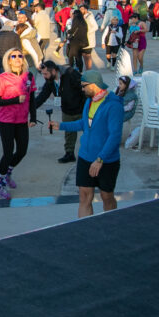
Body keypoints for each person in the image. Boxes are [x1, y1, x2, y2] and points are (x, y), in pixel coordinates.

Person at [50, 70, 123, 218]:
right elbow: (85, 123)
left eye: (84, 86)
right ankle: (84, 230)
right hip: (85, 157)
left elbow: (114, 136)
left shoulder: (113, 105)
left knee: (106, 197)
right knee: (84, 196)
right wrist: (62, 126)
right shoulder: (89, 101)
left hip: (106, 161)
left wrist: (100, 159)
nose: (82, 89)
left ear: (95, 85)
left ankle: (112, 226)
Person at [0, 48, 36, 199]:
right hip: (6, 120)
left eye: (20, 56)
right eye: (13, 56)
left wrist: (33, 117)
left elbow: (32, 98)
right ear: (9, 60)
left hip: (22, 120)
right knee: (8, 152)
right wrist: (15, 100)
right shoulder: (3, 78)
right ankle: (1, 182)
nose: (17, 58)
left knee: (22, 150)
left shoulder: (29, 76)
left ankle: (8, 172)